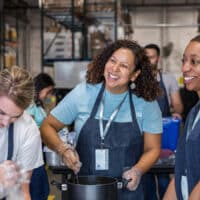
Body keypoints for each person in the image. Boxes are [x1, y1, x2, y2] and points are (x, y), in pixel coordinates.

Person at [40, 40, 163, 200]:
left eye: (124, 66)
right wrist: (63, 150)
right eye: (112, 60)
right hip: (84, 191)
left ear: (135, 74)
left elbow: (152, 148)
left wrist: (138, 170)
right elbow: (47, 126)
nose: (114, 69)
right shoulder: (83, 93)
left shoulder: (146, 103)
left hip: (127, 192)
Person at [143, 43, 183, 200]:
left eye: (151, 58)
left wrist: (177, 113)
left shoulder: (168, 78)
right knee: (146, 180)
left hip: (163, 133)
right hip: (143, 133)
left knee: (164, 179)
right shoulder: (136, 79)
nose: (148, 61)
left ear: (157, 59)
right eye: (145, 58)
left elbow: (177, 103)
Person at [163, 35, 200, 200]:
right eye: (184, 61)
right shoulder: (194, 112)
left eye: (194, 62)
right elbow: (182, 170)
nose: (184, 68)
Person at [0, 66, 43, 200]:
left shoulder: (28, 129)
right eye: (1, 112)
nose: (6, 122)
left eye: (15, 116)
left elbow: (22, 193)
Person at [26, 73, 55, 200]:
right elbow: (28, 131)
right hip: (31, 158)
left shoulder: (38, 105)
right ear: (39, 88)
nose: (49, 96)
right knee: (38, 192)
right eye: (48, 91)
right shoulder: (30, 105)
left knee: (43, 190)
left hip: (38, 156)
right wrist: (47, 132)